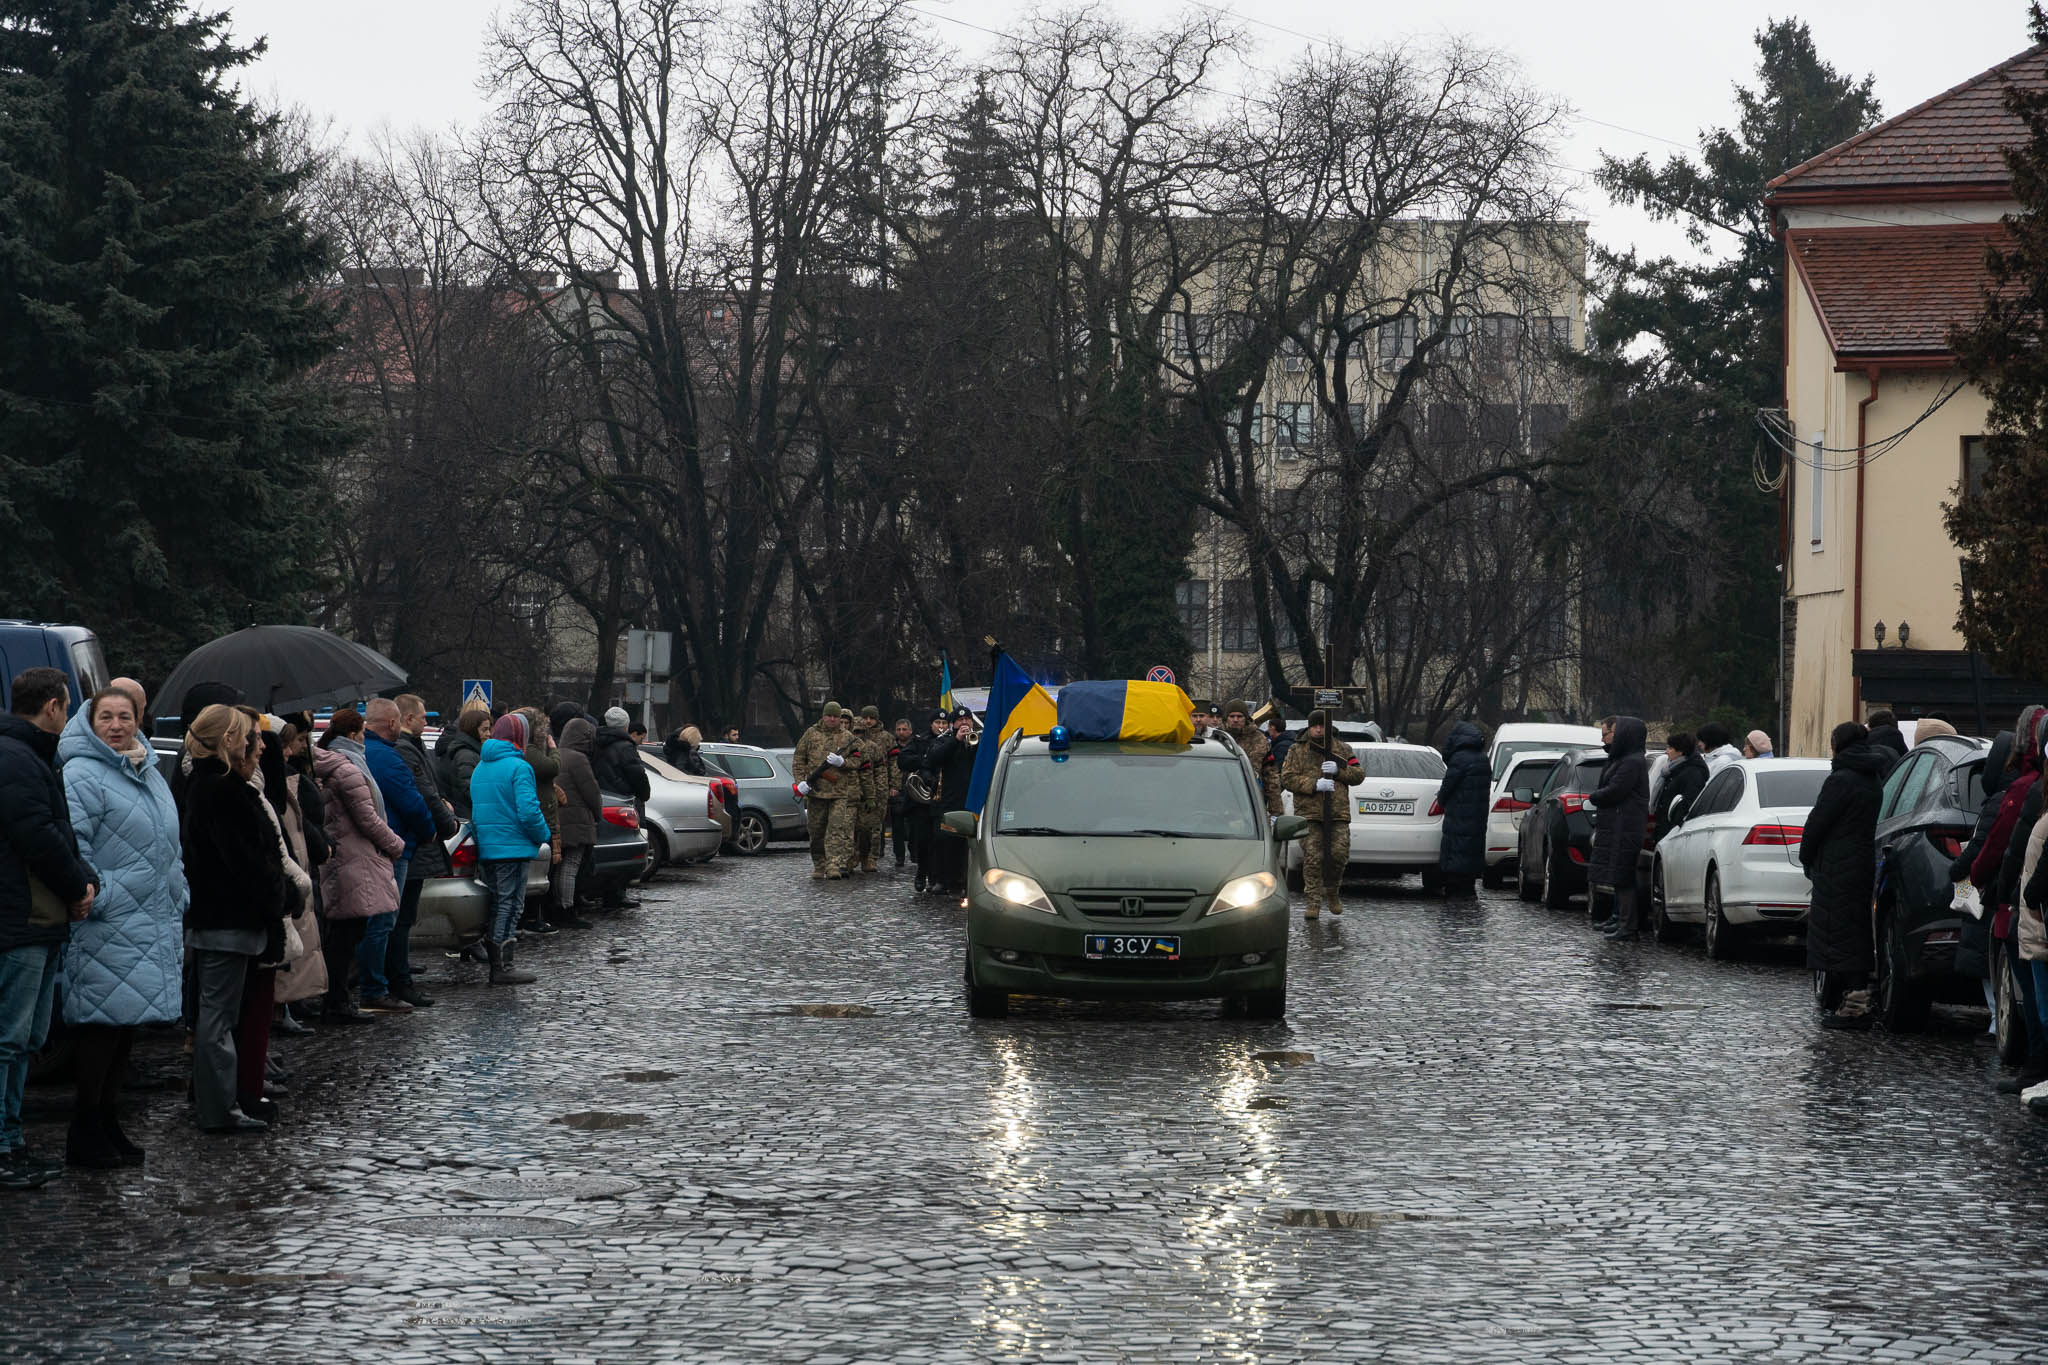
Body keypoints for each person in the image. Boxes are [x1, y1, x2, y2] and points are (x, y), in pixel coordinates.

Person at [55, 687, 187, 1167]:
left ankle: (108, 1121)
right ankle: (85, 1129)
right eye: (105, 717)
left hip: (150, 918)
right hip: (105, 922)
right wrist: (102, 895)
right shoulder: (81, 774)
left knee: (125, 1025)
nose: (116, 725)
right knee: (99, 1027)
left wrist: (179, 890)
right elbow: (75, 846)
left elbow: (168, 847)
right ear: (90, 723)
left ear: (139, 720)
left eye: (124, 716)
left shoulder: (148, 772)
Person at [0, 669, 97, 1188]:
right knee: (10, 1040)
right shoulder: (18, 758)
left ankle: (12, 1140)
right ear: (55, 707)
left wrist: (81, 879)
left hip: (36, 919)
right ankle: (3, 1144)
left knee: (26, 1037)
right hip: (21, 919)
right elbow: (39, 835)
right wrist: (79, 885)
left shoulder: (30, 756)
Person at [180, 704, 286, 1134]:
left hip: (224, 919)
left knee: (219, 1018)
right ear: (227, 740)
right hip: (227, 921)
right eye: (246, 737)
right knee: (218, 1021)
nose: (252, 745)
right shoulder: (221, 790)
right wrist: (276, 898)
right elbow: (246, 863)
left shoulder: (214, 786)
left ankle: (220, 1104)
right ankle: (219, 1109)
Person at [311, 710, 403, 1020]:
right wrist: (395, 845)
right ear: (353, 735)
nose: (365, 737)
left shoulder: (330, 763)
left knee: (341, 933)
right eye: (362, 732)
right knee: (347, 935)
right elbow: (368, 818)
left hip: (344, 856)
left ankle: (336, 999)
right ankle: (338, 1001)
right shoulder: (348, 769)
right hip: (355, 858)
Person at [1800, 721, 1891, 1029]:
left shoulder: (1841, 780)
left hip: (1836, 868)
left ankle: (1854, 1006)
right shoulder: (1871, 777)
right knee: (1854, 932)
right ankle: (1850, 1002)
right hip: (1860, 864)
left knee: (1837, 936)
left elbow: (1817, 823)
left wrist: (1806, 855)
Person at [361, 699, 439, 1013]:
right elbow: (413, 802)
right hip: (395, 846)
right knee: (388, 920)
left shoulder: (361, 753)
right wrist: (430, 831)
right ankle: (379, 986)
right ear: (393, 723)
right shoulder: (388, 758)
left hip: (372, 847)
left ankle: (379, 983)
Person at [469, 713, 551, 985]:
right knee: (511, 905)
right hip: (513, 847)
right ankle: (502, 965)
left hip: (490, 846)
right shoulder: (519, 767)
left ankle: (498, 963)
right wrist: (543, 835)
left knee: (498, 902)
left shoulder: (482, 765)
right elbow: (528, 811)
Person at [390, 695, 460, 998]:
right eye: (422, 718)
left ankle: (400, 965)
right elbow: (424, 795)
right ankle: (398, 974)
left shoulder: (412, 748)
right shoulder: (405, 751)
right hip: (416, 841)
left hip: (419, 841)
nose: (426, 723)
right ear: (407, 720)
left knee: (406, 914)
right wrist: (446, 824)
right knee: (401, 915)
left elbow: (432, 790)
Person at [1280, 710, 1364, 919]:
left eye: (1322, 725)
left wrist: (1339, 772)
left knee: (1338, 854)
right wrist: (1313, 784)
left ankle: (1333, 893)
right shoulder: (1297, 749)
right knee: (1313, 857)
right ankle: (1313, 902)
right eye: (1315, 725)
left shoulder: (1342, 748)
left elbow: (1358, 775)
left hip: (1337, 812)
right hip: (1309, 812)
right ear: (1309, 727)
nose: (1318, 729)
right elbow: (1287, 778)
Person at [1591, 717, 1651, 941]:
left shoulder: (1632, 762)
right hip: (1618, 825)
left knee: (1623, 876)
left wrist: (1595, 796)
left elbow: (1616, 789)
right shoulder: (1624, 759)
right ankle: (1623, 922)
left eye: (1616, 731)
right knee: (1619, 876)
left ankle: (1628, 925)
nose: (1612, 736)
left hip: (1625, 826)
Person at [793, 702, 861, 880]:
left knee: (836, 830)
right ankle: (819, 864)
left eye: (835, 716)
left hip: (839, 793)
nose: (832, 719)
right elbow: (799, 758)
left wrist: (843, 763)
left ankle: (833, 865)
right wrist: (800, 782)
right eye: (829, 715)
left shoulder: (848, 738)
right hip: (816, 792)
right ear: (823, 716)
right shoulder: (811, 734)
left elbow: (859, 760)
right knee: (816, 831)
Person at [517, 707, 569, 935]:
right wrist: (554, 750)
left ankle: (535, 915)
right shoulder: (529, 750)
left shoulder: (529, 749)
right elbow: (552, 768)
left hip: (544, 811)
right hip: (540, 813)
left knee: (543, 867)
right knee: (540, 867)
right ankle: (532, 917)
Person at [921, 709, 980, 895]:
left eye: (967, 719)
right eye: (960, 720)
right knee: (945, 841)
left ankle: (965, 881)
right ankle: (944, 880)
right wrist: (956, 741)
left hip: (972, 799)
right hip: (949, 799)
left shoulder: (979, 740)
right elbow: (933, 759)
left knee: (968, 844)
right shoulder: (944, 741)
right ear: (953, 724)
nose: (964, 723)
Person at [1432, 721, 1489, 900]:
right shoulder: (1482, 758)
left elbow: (1448, 786)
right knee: (1471, 849)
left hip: (1458, 813)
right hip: (1477, 816)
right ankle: (1468, 888)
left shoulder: (1460, 759)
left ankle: (1455, 888)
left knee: (1456, 848)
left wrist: (1441, 799)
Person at [557, 716, 605, 924]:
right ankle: (566, 909)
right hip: (576, 820)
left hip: (558, 818)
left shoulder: (555, 755)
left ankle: (558, 906)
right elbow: (591, 791)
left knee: (559, 867)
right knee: (571, 865)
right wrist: (597, 813)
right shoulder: (578, 759)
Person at [433, 701, 492, 818]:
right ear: (473, 728)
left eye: (489, 729)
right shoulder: (467, 755)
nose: (489, 734)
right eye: (484, 729)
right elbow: (471, 790)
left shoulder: (468, 750)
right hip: (468, 816)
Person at [1218, 702, 1275, 817]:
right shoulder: (1217, 737)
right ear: (1226, 718)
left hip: (1252, 802)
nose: (1235, 720)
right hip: (1220, 803)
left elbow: (1271, 776)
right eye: (1232, 716)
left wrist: (1276, 811)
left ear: (1246, 718)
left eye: (1239, 716)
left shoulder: (1259, 739)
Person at [593, 706, 650, 813]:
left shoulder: (595, 742)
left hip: (601, 799)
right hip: (624, 801)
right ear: (626, 725)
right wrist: (644, 794)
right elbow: (637, 774)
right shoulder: (626, 747)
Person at [853, 705, 889, 873]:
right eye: (856, 731)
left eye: (861, 732)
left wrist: (879, 793)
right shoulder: (847, 746)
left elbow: (881, 771)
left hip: (871, 792)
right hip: (852, 793)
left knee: (872, 829)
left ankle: (871, 858)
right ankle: (853, 856)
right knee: (852, 829)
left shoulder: (873, 747)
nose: (858, 735)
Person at [1654, 732, 1709, 833]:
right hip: (1664, 825)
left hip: (1673, 829)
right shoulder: (1673, 769)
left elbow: (1687, 802)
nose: (1667, 751)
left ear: (1680, 751)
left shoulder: (1692, 773)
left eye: (1670, 748)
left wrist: (1674, 826)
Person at [887, 718, 919, 870]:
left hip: (913, 788)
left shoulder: (917, 745)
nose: (901, 732)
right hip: (896, 790)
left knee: (914, 826)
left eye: (904, 729)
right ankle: (899, 856)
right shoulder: (891, 747)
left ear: (910, 731)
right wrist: (889, 786)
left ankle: (915, 853)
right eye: (898, 729)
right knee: (897, 827)